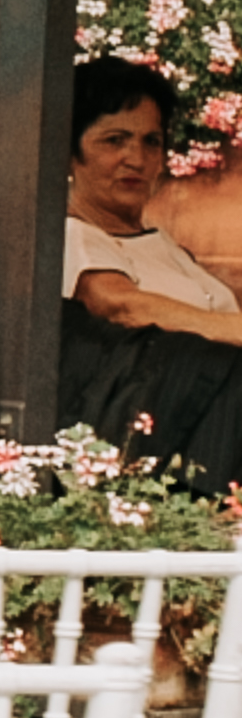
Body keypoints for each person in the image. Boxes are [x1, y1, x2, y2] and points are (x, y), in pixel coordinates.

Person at [55, 53, 242, 479]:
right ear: (70, 153)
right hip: (160, 434)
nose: (136, 159)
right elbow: (121, 306)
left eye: (150, 142)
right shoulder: (72, 235)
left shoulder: (161, 244)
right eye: (114, 140)